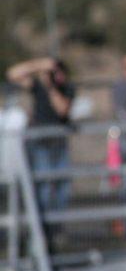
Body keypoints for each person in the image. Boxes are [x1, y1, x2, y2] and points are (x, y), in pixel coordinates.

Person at [6, 57, 75, 215]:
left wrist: (51, 88)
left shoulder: (67, 88)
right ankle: (43, 226)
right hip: (41, 144)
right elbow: (12, 74)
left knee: (62, 185)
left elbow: (62, 110)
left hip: (59, 144)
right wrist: (38, 65)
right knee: (42, 185)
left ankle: (57, 225)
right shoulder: (38, 86)